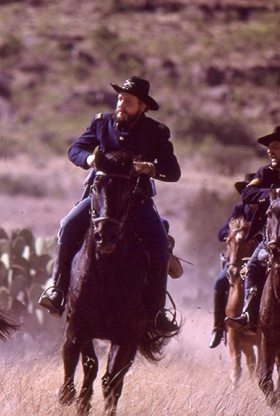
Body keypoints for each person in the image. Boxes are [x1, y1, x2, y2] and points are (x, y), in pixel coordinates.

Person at [38, 76, 181, 332]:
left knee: (159, 243)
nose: (121, 104)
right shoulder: (101, 122)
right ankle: (57, 289)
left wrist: (150, 168)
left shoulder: (156, 132)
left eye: (128, 101)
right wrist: (90, 158)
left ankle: (158, 311)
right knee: (68, 224)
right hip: (100, 199)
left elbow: (173, 171)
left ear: (143, 106)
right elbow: (75, 150)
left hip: (136, 200)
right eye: (120, 98)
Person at [225, 126, 280, 335]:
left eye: (275, 146)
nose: (270, 151)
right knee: (254, 264)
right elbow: (248, 193)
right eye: (269, 148)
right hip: (271, 237)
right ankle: (249, 314)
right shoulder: (264, 173)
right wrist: (275, 193)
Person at [208, 174, 255, 348]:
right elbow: (221, 232)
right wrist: (234, 235)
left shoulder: (266, 211)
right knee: (219, 282)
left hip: (257, 260)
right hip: (236, 261)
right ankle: (218, 328)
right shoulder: (238, 209)